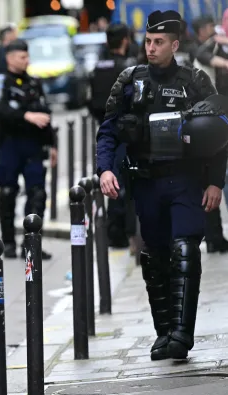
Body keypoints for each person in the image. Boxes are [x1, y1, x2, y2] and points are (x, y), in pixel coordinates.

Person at [96, 10, 226, 361]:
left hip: (184, 181)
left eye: (158, 43)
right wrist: (105, 170)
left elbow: (219, 134)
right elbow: (107, 130)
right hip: (146, 184)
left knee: (185, 249)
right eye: (148, 42)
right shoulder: (128, 80)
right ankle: (164, 332)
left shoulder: (195, 81)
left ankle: (182, 335)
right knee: (154, 257)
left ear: (174, 45)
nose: (151, 48)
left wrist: (215, 183)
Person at [0, 39, 57, 259]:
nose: (26, 60)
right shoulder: (2, 81)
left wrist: (52, 144)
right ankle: (8, 242)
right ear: (10, 58)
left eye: (27, 56)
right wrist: (25, 116)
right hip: (10, 145)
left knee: (37, 194)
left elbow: (45, 113)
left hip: (34, 147)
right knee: (8, 193)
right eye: (22, 57)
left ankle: (32, 244)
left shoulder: (34, 83)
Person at [89, 23, 138, 250]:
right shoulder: (128, 68)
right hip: (125, 133)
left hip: (105, 130)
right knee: (125, 185)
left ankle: (116, 232)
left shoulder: (98, 67)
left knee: (113, 182)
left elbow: (91, 101)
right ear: (125, 40)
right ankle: (123, 232)